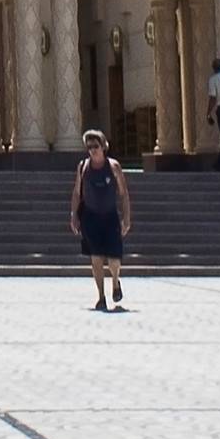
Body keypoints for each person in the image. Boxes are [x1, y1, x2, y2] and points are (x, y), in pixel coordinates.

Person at [69, 128, 134, 311]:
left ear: (103, 146)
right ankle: (101, 296)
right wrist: (74, 215)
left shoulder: (113, 167)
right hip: (90, 217)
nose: (92, 150)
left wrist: (126, 217)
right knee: (96, 258)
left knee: (113, 259)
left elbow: (124, 194)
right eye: (89, 147)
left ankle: (115, 282)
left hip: (110, 217)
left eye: (95, 146)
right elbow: (76, 192)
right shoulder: (83, 167)